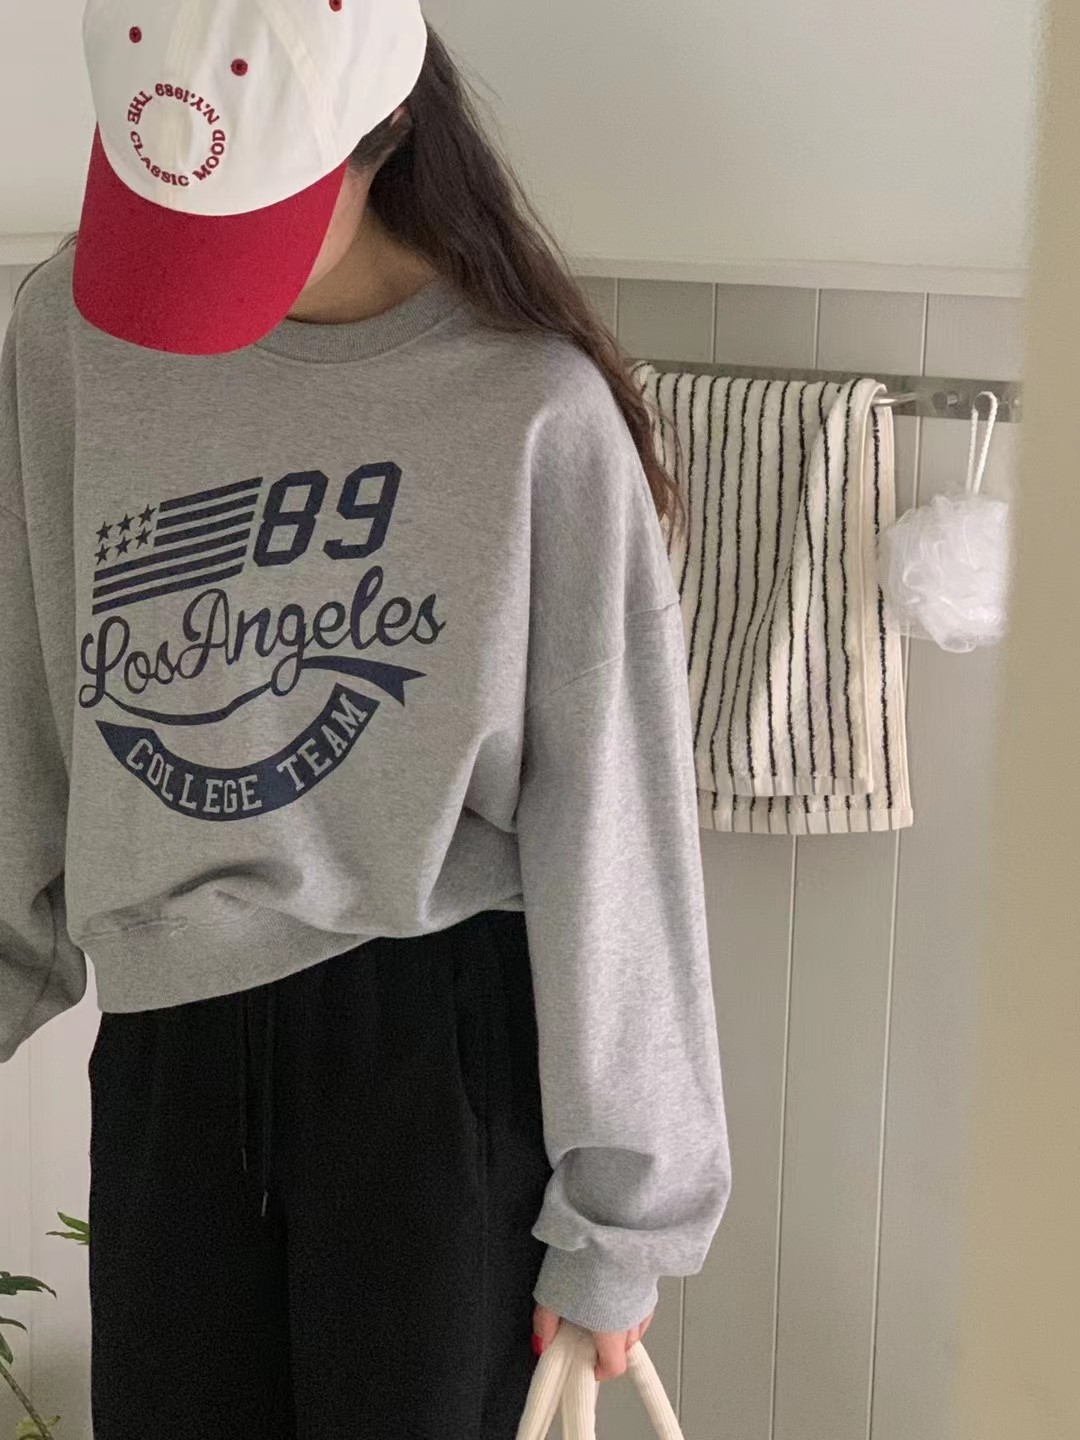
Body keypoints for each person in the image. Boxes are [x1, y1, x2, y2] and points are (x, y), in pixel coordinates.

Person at [0, 2, 731, 1435]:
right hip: (168, 1055)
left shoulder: (532, 411)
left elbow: (611, 821)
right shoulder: (72, 334)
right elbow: (25, 694)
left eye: (250, 213)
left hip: (433, 1053)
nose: (196, 266)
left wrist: (622, 1219)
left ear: (384, 129)